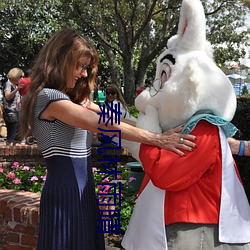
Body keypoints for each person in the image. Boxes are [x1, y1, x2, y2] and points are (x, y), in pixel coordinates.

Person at [19, 28, 196, 250]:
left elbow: (116, 119)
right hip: (65, 192)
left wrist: (163, 126)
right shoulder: (49, 98)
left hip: (82, 190)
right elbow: (103, 124)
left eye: (86, 68)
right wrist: (158, 139)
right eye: (80, 66)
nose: (83, 74)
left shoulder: (71, 101)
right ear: (61, 60)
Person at [3, 67, 24, 146]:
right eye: (20, 77)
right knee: (11, 135)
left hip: (16, 111)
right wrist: (17, 89)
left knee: (17, 136)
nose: (21, 79)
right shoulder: (8, 84)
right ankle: (8, 151)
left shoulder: (15, 85)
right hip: (10, 112)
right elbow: (7, 96)